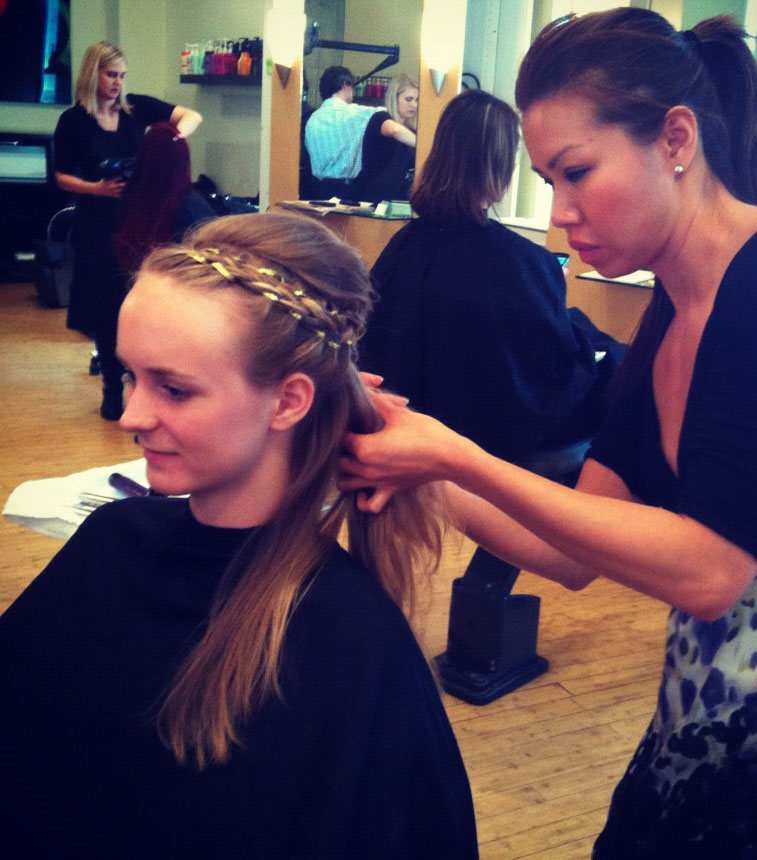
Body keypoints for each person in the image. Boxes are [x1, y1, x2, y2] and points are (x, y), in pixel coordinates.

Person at [340, 9, 757, 857]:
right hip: (705, 718)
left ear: (676, 140)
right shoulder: (670, 315)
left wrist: (454, 453)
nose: (561, 214)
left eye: (577, 172)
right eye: (548, 181)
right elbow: (571, 550)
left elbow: (708, 570)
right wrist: (413, 464)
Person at [0, 212, 478, 858]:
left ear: (289, 401)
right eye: (131, 376)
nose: (131, 416)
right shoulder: (109, 543)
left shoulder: (351, 641)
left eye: (174, 389)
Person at [360, 89, 613, 463]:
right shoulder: (526, 264)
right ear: (501, 166)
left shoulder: (399, 251)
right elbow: (548, 378)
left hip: (404, 433)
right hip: (491, 449)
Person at [53, 41, 202, 421]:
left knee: (136, 305)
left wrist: (173, 141)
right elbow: (61, 176)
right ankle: (111, 389)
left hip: (137, 219)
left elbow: (191, 116)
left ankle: (140, 385)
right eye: (110, 75)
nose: (118, 83)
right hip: (97, 222)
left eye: (122, 75)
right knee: (106, 309)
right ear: (93, 74)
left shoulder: (136, 109)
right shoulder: (73, 121)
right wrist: (97, 188)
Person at [113, 122, 218, 272]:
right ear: (182, 160)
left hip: (139, 278)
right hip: (181, 281)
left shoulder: (127, 199)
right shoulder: (191, 206)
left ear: (143, 157)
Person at [304, 65, 376, 199]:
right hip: (348, 191)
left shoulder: (312, 120)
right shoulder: (354, 113)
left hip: (319, 191)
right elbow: (386, 117)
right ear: (345, 84)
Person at [354, 74, 419, 203]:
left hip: (400, 200)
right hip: (372, 197)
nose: (414, 105)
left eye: (417, 100)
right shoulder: (380, 118)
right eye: (408, 99)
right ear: (394, 98)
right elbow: (394, 130)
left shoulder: (413, 130)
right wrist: (424, 145)